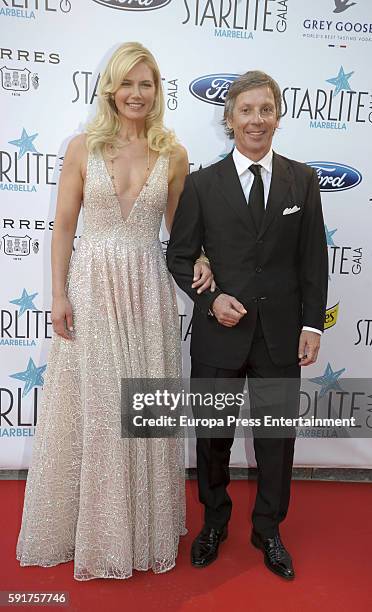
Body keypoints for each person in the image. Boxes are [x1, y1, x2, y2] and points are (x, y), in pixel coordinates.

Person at [16, 42, 214, 581]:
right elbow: (62, 227)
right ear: (110, 88)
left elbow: (180, 233)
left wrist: (200, 259)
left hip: (146, 291)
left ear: (157, 91)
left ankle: (139, 527)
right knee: (99, 407)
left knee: (138, 408)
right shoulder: (81, 148)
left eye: (146, 83)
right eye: (127, 83)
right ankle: (93, 529)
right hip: (92, 287)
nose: (136, 93)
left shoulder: (172, 153)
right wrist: (58, 295)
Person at [167, 70, 328, 579]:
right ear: (229, 119)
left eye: (266, 109)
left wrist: (313, 325)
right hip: (220, 336)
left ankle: (268, 529)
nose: (257, 119)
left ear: (277, 117)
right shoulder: (200, 184)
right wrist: (211, 299)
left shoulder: (302, 179)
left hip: (281, 337)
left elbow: (312, 261)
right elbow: (180, 256)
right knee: (212, 437)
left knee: (276, 441)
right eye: (246, 110)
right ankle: (214, 523)